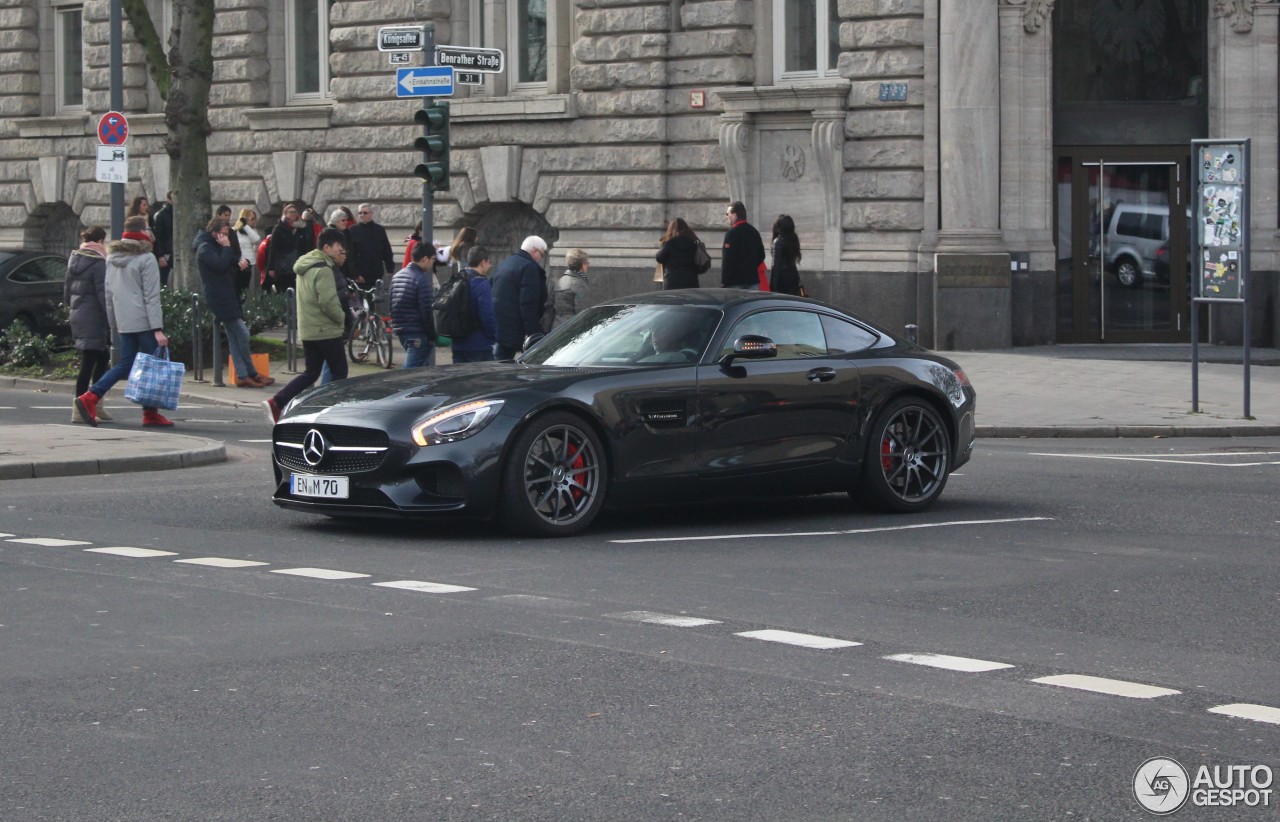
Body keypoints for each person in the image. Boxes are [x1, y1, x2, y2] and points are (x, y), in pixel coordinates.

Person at [74, 216, 173, 428]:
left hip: (124, 321)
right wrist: (158, 329)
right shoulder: (146, 258)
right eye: (147, 229)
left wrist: (113, 325)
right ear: (143, 233)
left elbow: (109, 295)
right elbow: (151, 296)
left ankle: (91, 397)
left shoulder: (111, 258)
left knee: (125, 364)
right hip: (145, 322)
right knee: (153, 367)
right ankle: (145, 411)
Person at [262, 228, 350, 423]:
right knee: (340, 372)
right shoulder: (324, 269)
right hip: (325, 329)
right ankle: (329, 410)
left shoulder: (306, 265)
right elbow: (327, 301)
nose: (340, 250)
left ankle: (277, 402)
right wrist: (341, 317)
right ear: (326, 247)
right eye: (338, 247)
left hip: (309, 330)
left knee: (311, 373)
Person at [194, 216, 272, 389]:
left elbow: (229, 260)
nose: (226, 237)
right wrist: (227, 248)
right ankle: (250, 373)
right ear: (215, 234)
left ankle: (245, 375)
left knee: (234, 337)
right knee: (242, 333)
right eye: (223, 234)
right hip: (219, 297)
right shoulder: (205, 248)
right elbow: (220, 264)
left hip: (228, 293)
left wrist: (239, 262)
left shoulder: (217, 245)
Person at [64, 226, 115, 423]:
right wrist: (110, 318)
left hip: (78, 314)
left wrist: (75, 308)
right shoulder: (98, 263)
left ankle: (94, 403)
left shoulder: (74, 259)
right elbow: (103, 295)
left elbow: (67, 292)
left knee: (100, 357)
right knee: (90, 360)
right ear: (101, 241)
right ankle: (81, 407)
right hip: (93, 315)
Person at [489, 235, 548, 360]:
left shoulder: (506, 263)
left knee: (500, 361)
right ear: (534, 251)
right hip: (514, 326)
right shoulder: (529, 267)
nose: (540, 258)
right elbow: (528, 303)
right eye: (541, 254)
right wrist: (533, 332)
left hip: (500, 325)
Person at [389, 242, 437, 368]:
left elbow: (391, 303)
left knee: (422, 373)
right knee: (410, 375)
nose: (432, 263)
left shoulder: (397, 276)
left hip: (402, 330)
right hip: (418, 332)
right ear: (425, 259)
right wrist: (432, 335)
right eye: (432, 259)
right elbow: (426, 311)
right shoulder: (421, 279)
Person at [450, 246, 498, 363]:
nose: (490, 266)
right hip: (478, 345)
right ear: (483, 262)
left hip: (457, 343)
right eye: (489, 262)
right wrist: (493, 336)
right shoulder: (481, 283)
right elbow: (487, 315)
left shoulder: (457, 279)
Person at [265, 201, 314, 293]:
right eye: (290, 212)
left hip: (299, 264)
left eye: (295, 212)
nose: (293, 214)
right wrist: (271, 267)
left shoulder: (302, 227)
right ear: (285, 214)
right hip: (284, 266)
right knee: (284, 292)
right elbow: (273, 249)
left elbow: (307, 246)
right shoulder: (279, 228)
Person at [721, 200, 767, 290]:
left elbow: (728, 260)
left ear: (735, 215)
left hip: (735, 282)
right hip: (752, 280)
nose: (726, 217)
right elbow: (761, 255)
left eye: (728, 214)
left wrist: (724, 281)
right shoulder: (754, 232)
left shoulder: (731, 233)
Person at [348, 202, 395, 288]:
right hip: (360, 274)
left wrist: (390, 269)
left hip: (376, 273)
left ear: (371, 214)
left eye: (365, 213)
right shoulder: (352, 230)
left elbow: (387, 251)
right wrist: (356, 274)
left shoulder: (379, 230)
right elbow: (350, 254)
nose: (362, 215)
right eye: (360, 213)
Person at [655, 218, 702, 290]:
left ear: (671, 230)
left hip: (672, 281)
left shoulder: (669, 244)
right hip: (691, 280)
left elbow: (659, 258)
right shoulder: (693, 243)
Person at [551, 248, 590, 328]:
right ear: (582, 265)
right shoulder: (579, 284)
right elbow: (582, 312)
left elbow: (549, 307)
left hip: (556, 328)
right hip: (572, 328)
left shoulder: (559, 282)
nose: (588, 265)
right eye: (587, 263)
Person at [769, 214, 802, 295]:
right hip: (793, 275)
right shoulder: (794, 239)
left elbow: (776, 264)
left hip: (782, 278)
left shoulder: (778, 241)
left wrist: (773, 283)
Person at [233, 207, 261, 297]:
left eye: (254, 219)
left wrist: (246, 226)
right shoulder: (234, 231)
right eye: (251, 219)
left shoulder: (251, 231)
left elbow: (257, 239)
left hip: (249, 262)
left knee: (245, 287)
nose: (253, 221)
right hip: (237, 262)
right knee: (237, 286)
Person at [151, 191, 174, 287]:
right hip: (166, 253)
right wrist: (160, 255)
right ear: (168, 199)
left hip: (173, 252)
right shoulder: (161, 215)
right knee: (163, 280)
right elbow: (158, 237)